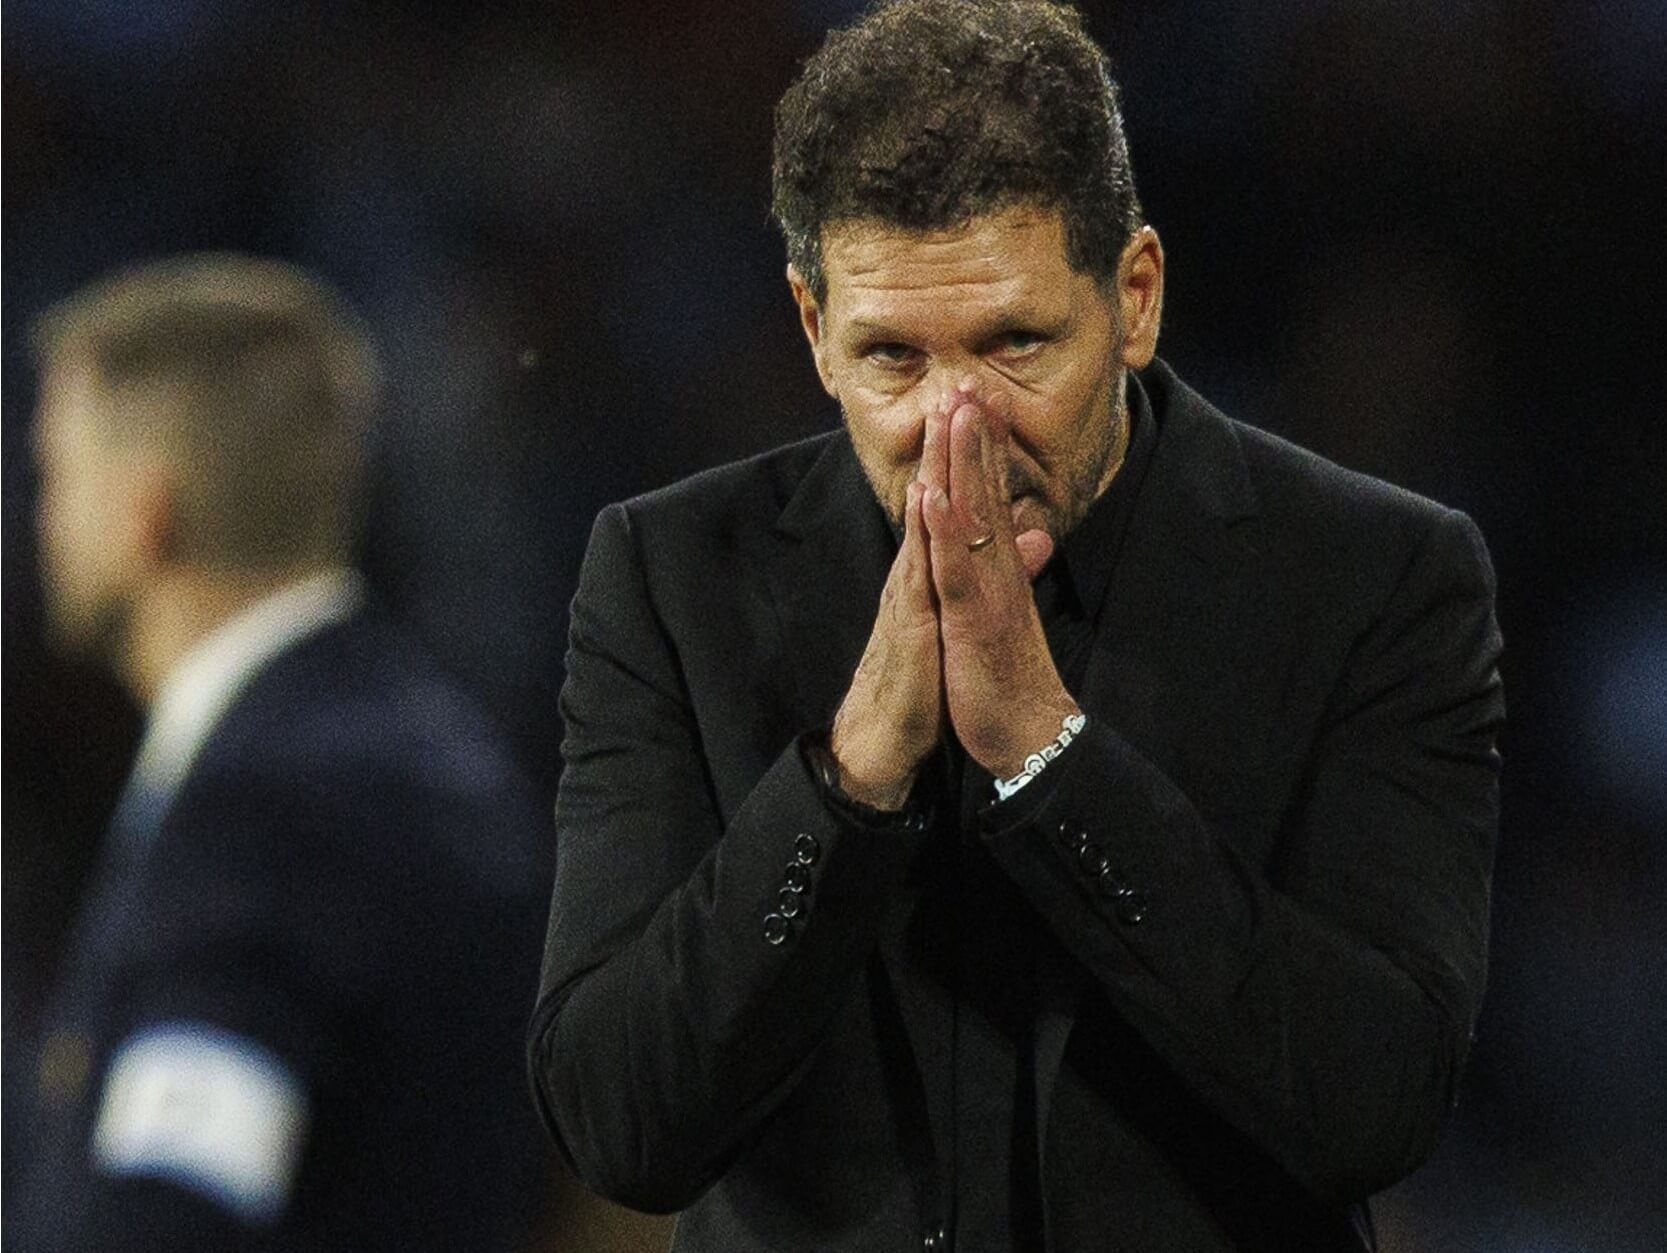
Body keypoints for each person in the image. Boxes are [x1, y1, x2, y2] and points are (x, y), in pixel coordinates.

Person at [527, 2, 1504, 1250]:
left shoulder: (1377, 578)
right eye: (891, 357)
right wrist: (849, 776)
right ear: (813, 331)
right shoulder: (668, 579)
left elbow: (1376, 1104)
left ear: (1134, 298)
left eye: (1014, 343)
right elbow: (619, 1122)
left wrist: (1049, 754)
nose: (956, 424)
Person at [18, 253, 555, 1252]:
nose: (41, 516)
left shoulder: (271, 804)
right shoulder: (417, 746)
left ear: (146, 513)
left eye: (58, 474)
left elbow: (172, 1211)